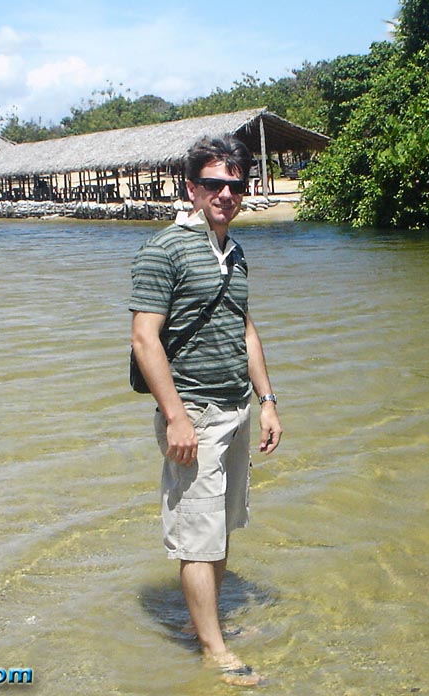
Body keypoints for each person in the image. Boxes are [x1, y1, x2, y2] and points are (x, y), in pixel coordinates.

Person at [130, 135, 283, 686]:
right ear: (192, 188)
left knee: (219, 528)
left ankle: (209, 627)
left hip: (236, 407)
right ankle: (214, 650)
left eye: (235, 184)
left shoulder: (235, 251)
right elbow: (145, 339)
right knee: (197, 535)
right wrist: (175, 417)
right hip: (191, 409)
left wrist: (267, 401)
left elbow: (245, 329)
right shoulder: (163, 250)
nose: (226, 193)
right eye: (214, 183)